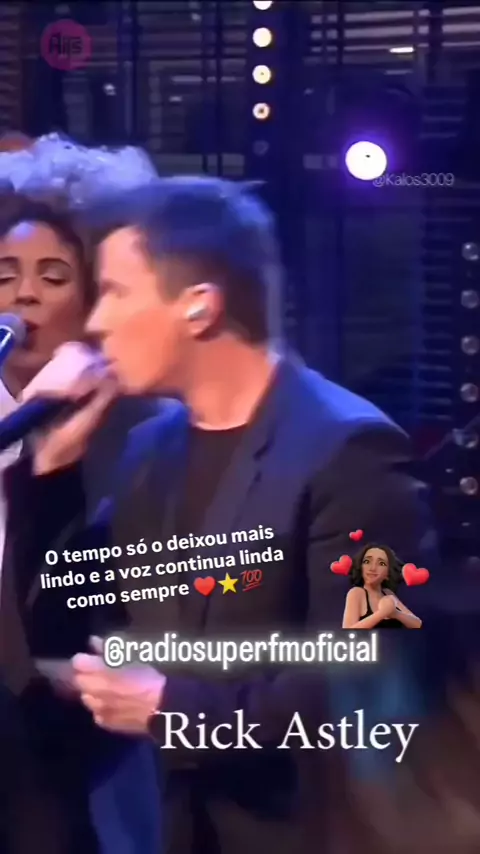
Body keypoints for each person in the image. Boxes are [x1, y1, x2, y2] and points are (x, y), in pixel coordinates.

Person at [5, 176, 438, 854]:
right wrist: (50, 474)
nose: (97, 321)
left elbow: (374, 678)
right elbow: (69, 633)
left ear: (198, 306)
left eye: (116, 292)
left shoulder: (349, 450)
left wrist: (173, 711)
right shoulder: (153, 450)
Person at [0, 136, 164, 854]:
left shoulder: (145, 433)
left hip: (78, 759)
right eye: (5, 274)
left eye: (53, 275)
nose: (24, 295)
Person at [342, 543, 422, 629]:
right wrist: (382, 613)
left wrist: (396, 613)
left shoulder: (388, 593)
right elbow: (348, 631)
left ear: (387, 573)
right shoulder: (356, 593)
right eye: (367, 562)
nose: (372, 568)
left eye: (381, 563)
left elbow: (417, 624)